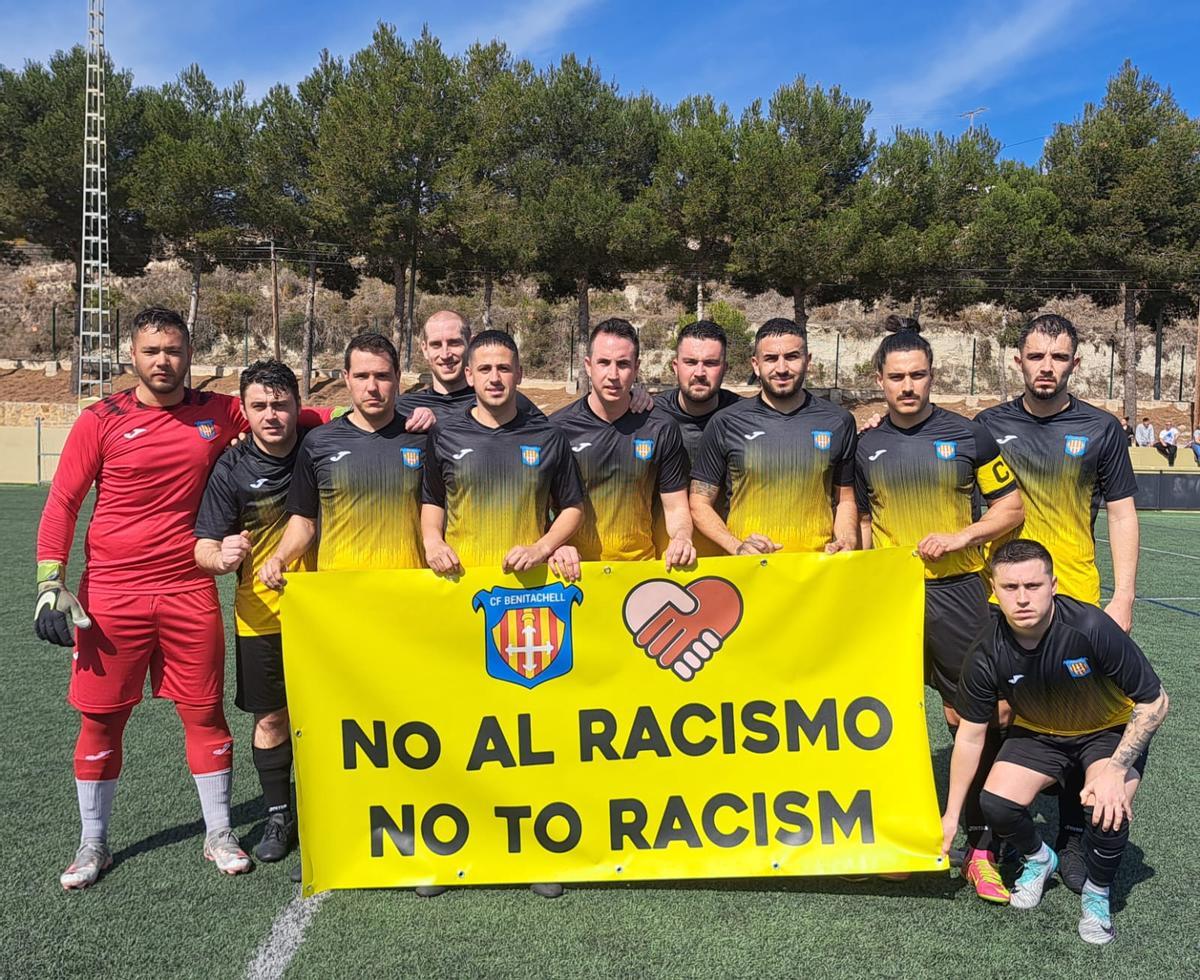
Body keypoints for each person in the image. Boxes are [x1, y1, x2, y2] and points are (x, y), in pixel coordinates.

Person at [35, 306, 270, 888]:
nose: (163, 360)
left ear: (190, 354)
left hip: (190, 589)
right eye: (151, 351)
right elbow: (64, 500)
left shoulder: (220, 412)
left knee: (205, 714)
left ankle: (218, 833)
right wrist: (49, 581)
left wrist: (369, 413)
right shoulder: (101, 419)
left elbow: (287, 413)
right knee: (100, 721)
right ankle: (92, 845)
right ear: (131, 357)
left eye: (173, 350)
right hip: (110, 598)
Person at [258, 332, 436, 889]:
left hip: (407, 611)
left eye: (383, 375)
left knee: (412, 727)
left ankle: (418, 838)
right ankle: (331, 834)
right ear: (347, 379)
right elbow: (304, 522)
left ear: (399, 378)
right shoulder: (320, 444)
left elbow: (435, 514)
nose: (373, 386)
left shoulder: (421, 440)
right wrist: (282, 557)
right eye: (362, 376)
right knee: (341, 730)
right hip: (340, 617)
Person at [856, 326, 1024, 902]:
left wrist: (962, 536)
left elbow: (1012, 508)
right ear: (879, 381)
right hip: (889, 598)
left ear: (933, 376)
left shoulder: (969, 435)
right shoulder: (862, 444)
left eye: (918, 375)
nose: (908, 386)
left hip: (957, 594)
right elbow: (855, 517)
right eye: (896, 376)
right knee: (884, 719)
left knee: (974, 717)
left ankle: (980, 848)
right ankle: (898, 840)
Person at [975, 314, 1140, 892]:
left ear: (1075, 361)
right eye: (1037, 356)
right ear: (1018, 360)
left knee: (1082, 713)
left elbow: (1121, 512)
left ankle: (1073, 833)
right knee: (1000, 711)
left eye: (1059, 357)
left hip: (1077, 595)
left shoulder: (1100, 428)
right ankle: (997, 833)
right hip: (1004, 597)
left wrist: (1121, 596)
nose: (1047, 367)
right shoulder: (986, 426)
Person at [421, 330, 585, 900]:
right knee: (460, 728)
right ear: (468, 375)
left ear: (519, 374)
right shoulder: (444, 434)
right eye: (484, 368)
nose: (494, 377)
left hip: (530, 602)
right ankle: (452, 849)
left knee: (527, 733)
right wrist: (431, 543)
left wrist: (543, 548)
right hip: (460, 600)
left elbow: (571, 508)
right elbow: (431, 503)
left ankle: (538, 850)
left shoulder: (547, 434)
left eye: (504, 368)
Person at [943, 540, 1169, 945]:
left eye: (1033, 585)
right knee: (995, 803)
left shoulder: (1091, 627)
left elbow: (1155, 701)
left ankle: (1097, 895)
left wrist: (1116, 771)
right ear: (993, 589)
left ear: (1054, 585)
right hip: (1040, 733)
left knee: (1108, 808)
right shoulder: (985, 651)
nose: (1023, 598)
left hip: (1106, 732)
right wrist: (951, 813)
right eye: (1010, 588)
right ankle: (1039, 858)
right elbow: (972, 736)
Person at [193, 361, 325, 865]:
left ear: (298, 404)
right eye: (260, 406)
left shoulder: (322, 444)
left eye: (281, 404)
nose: (272, 415)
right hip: (262, 616)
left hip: (329, 613)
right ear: (244, 412)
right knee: (272, 717)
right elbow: (204, 546)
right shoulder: (231, 467)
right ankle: (278, 812)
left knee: (335, 713)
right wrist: (221, 557)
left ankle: (331, 806)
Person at [690, 318, 858, 557]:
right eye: (770, 358)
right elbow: (699, 503)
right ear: (755, 365)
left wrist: (846, 540)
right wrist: (736, 546)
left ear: (807, 361)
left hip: (816, 573)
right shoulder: (725, 422)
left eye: (791, 356)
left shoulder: (839, 421)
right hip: (748, 572)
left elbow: (846, 501)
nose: (781, 368)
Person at [550, 318, 694, 574]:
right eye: (604, 362)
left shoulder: (660, 428)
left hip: (638, 572)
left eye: (623, 364)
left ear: (636, 368)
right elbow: (541, 506)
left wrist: (682, 537)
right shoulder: (558, 429)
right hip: (574, 573)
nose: (613, 375)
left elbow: (676, 507)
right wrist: (553, 546)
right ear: (588, 366)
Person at [399, 309, 654, 417]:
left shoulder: (511, 401)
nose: (446, 354)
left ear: (471, 343)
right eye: (435, 345)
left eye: (454, 343)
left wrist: (633, 393)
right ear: (423, 349)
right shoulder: (404, 409)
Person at [651, 320, 742, 558]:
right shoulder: (647, 414)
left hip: (732, 559)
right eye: (690, 362)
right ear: (675, 366)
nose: (699, 373)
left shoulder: (744, 417)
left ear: (725, 367)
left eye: (711, 363)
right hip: (662, 560)